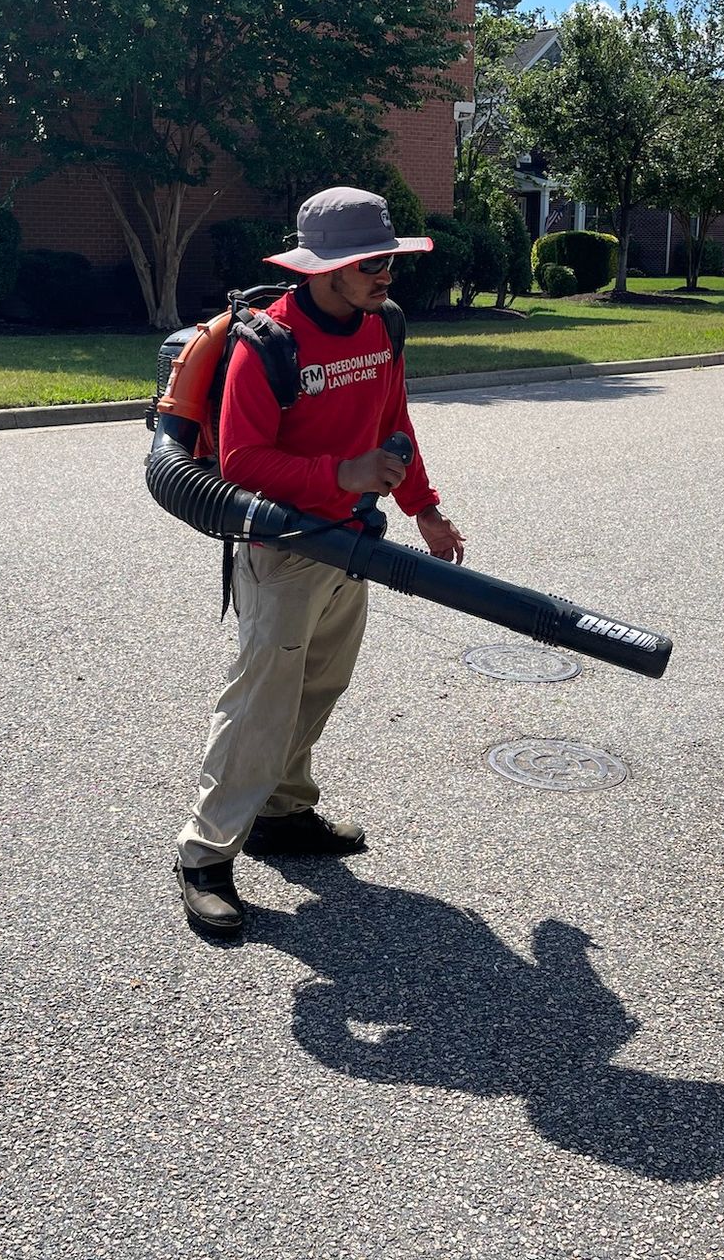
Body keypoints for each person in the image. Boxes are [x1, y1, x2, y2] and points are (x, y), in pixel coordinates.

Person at [174, 186, 467, 937]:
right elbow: (239, 462)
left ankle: (282, 813)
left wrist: (423, 509)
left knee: (321, 683)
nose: (385, 275)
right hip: (282, 551)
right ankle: (205, 855)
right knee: (260, 702)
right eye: (371, 263)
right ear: (323, 269)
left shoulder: (384, 326)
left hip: (353, 543)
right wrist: (343, 474)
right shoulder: (268, 344)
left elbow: (394, 424)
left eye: (389, 262)